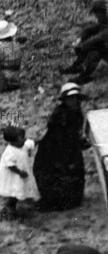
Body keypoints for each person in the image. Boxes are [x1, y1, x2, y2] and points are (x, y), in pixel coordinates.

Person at [33, 83, 92, 211]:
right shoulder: (60, 115)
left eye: (76, 98)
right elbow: (58, 135)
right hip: (54, 148)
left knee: (73, 173)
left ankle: (70, 200)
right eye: (70, 98)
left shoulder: (77, 112)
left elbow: (75, 132)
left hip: (70, 147)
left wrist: (79, 142)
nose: (74, 101)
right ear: (65, 100)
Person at [0, 125, 40, 218]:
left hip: (22, 172)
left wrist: (41, 140)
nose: (24, 140)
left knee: (23, 187)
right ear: (13, 141)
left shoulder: (24, 144)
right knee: (14, 192)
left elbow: (32, 143)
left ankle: (25, 200)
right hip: (14, 176)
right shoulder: (10, 152)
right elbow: (10, 165)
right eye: (21, 139)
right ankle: (10, 206)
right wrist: (19, 172)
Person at [61, 0, 108, 84]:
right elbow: (89, 30)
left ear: (103, 13)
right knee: (88, 38)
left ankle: (83, 77)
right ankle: (77, 66)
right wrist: (79, 39)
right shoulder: (104, 23)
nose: (96, 16)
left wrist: (79, 46)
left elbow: (98, 38)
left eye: (97, 13)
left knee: (96, 50)